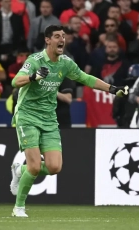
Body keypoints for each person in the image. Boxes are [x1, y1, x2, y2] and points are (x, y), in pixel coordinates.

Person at [10, 25, 128, 218]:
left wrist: (113, 89)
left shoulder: (65, 62)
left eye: (63, 36)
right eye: (57, 36)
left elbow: (86, 78)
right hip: (28, 116)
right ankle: (19, 207)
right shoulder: (35, 60)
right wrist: (33, 77)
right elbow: (16, 81)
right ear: (48, 40)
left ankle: (18, 169)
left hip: (49, 118)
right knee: (35, 166)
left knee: (55, 167)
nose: (62, 40)